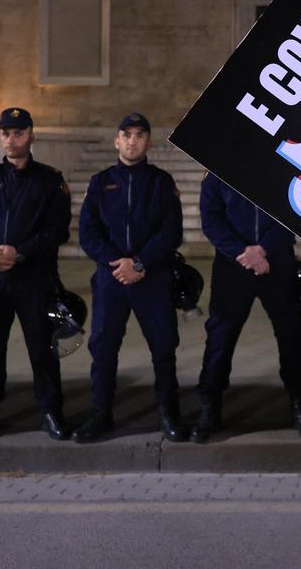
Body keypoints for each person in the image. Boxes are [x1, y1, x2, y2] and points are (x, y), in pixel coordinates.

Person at [0, 107, 73, 441]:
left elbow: (56, 231)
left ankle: (51, 412)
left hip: (34, 280)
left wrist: (19, 253)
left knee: (43, 351)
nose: (11, 139)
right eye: (5, 132)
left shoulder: (50, 180)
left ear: (31, 135)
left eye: (18, 132)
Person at [74, 113, 187, 444]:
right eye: (127, 135)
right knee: (104, 347)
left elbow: (171, 232)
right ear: (117, 141)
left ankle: (168, 411)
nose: (133, 140)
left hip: (152, 278)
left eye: (140, 135)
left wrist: (139, 262)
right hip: (111, 280)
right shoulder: (100, 182)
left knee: (164, 347)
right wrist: (118, 262)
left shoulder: (162, 183)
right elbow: (88, 232)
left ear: (148, 143)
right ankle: (101, 412)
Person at [192, 172, 301, 443]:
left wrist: (263, 250)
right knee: (220, 338)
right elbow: (211, 221)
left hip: (277, 263)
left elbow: (296, 212)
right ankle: (210, 407)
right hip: (232, 267)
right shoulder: (216, 174)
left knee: (292, 336)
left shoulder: (280, 168)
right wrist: (243, 253)